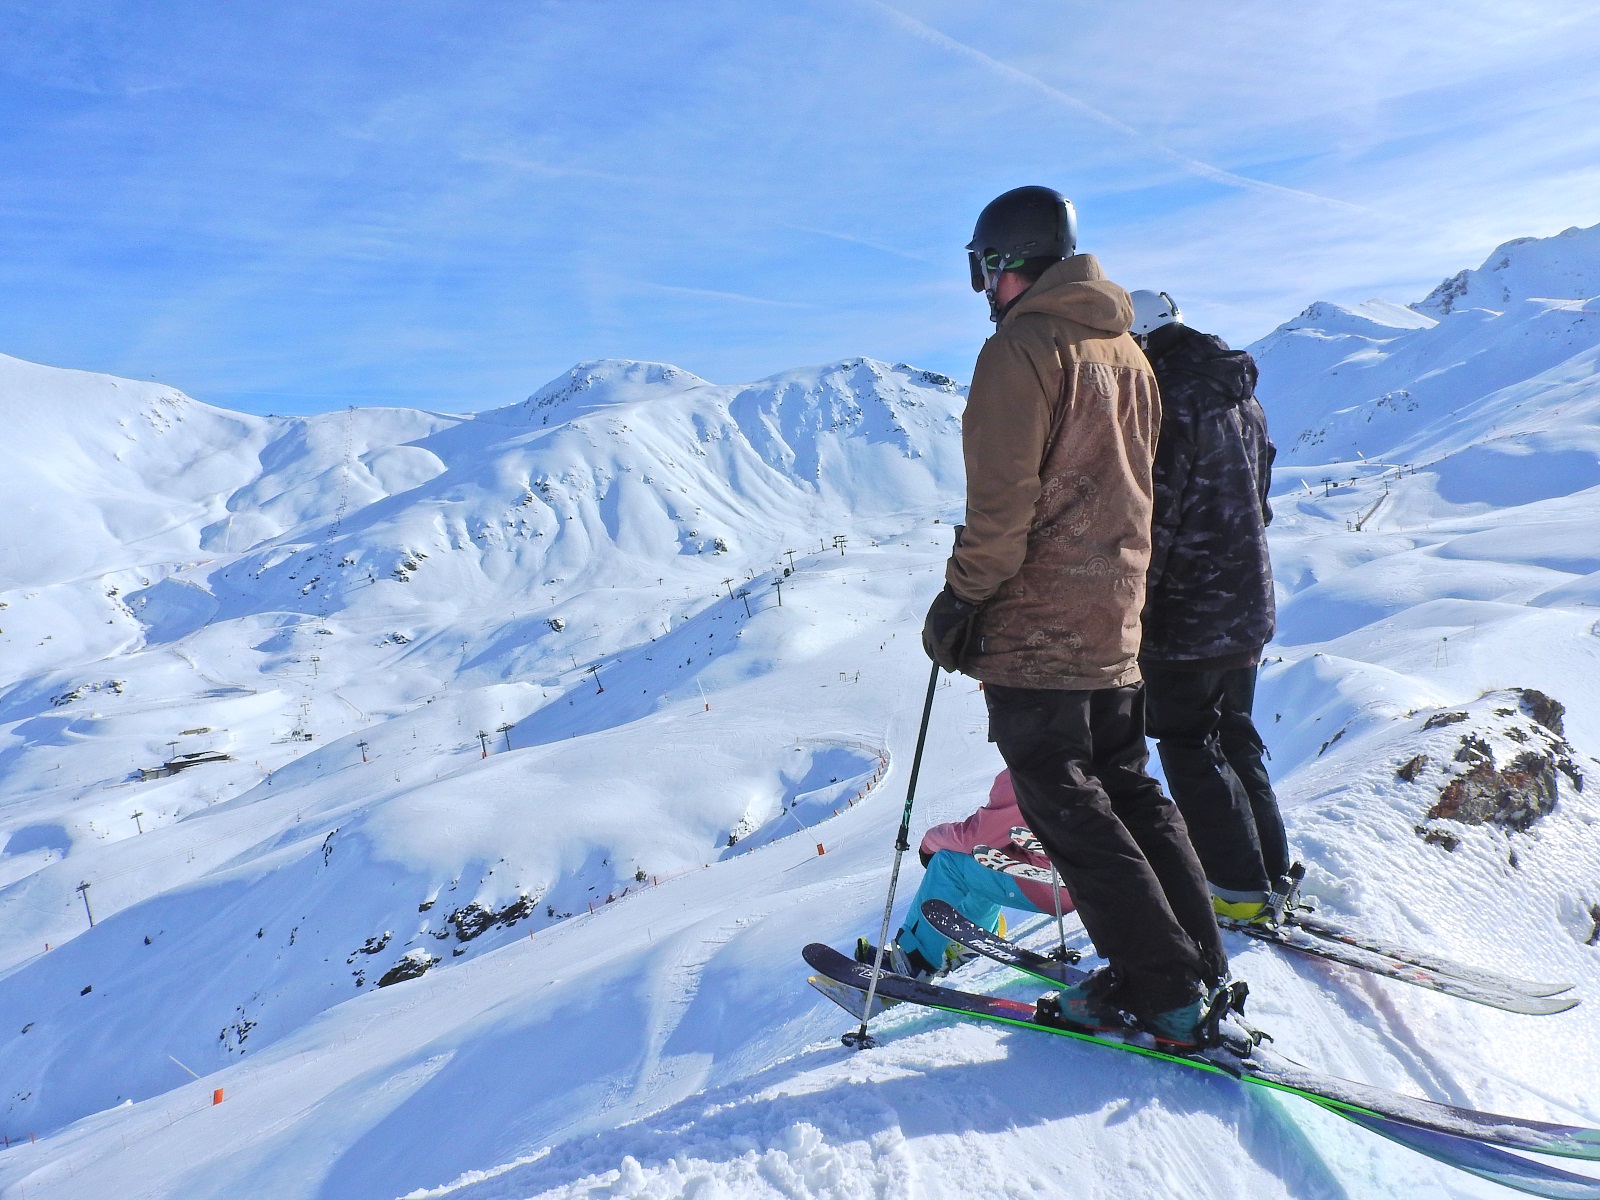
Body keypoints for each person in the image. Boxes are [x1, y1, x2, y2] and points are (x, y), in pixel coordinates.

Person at [921, 186, 1228, 1045]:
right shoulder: (1124, 349)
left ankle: (1161, 986)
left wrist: (962, 600)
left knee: (1060, 793)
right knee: (1125, 783)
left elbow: (1002, 504)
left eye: (984, 270)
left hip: (1042, 619)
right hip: (1117, 609)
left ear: (1008, 263)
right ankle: (1196, 962)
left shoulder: (1024, 350)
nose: (983, 291)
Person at [1129, 290, 1291, 924]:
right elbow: (1262, 491)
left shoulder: (1168, 399)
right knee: (1235, 736)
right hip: (1246, 602)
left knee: (1190, 744)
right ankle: (1270, 870)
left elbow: (1155, 517)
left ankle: (1235, 888)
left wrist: (1132, 602)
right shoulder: (1237, 391)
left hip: (1187, 614)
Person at [857, 770, 1073, 978]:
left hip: (1061, 884)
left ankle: (914, 960)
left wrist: (930, 843)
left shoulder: (1030, 769)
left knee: (950, 862)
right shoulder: (1085, 752)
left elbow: (976, 838)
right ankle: (970, 942)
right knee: (987, 859)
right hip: (1094, 880)